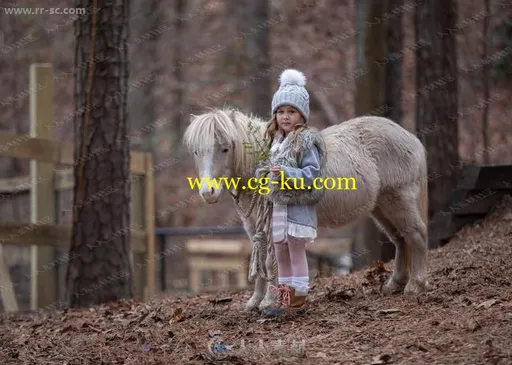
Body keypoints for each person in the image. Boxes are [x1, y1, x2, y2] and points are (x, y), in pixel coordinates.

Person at [255, 68, 327, 316]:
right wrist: (265, 174)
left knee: (296, 251)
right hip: (279, 209)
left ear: (302, 115)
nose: (285, 116)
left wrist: (286, 174)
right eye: (281, 111)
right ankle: (283, 299)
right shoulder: (275, 141)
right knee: (280, 252)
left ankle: (299, 298)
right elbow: (270, 168)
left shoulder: (305, 141)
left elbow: (312, 175)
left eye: (291, 111)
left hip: (297, 208)